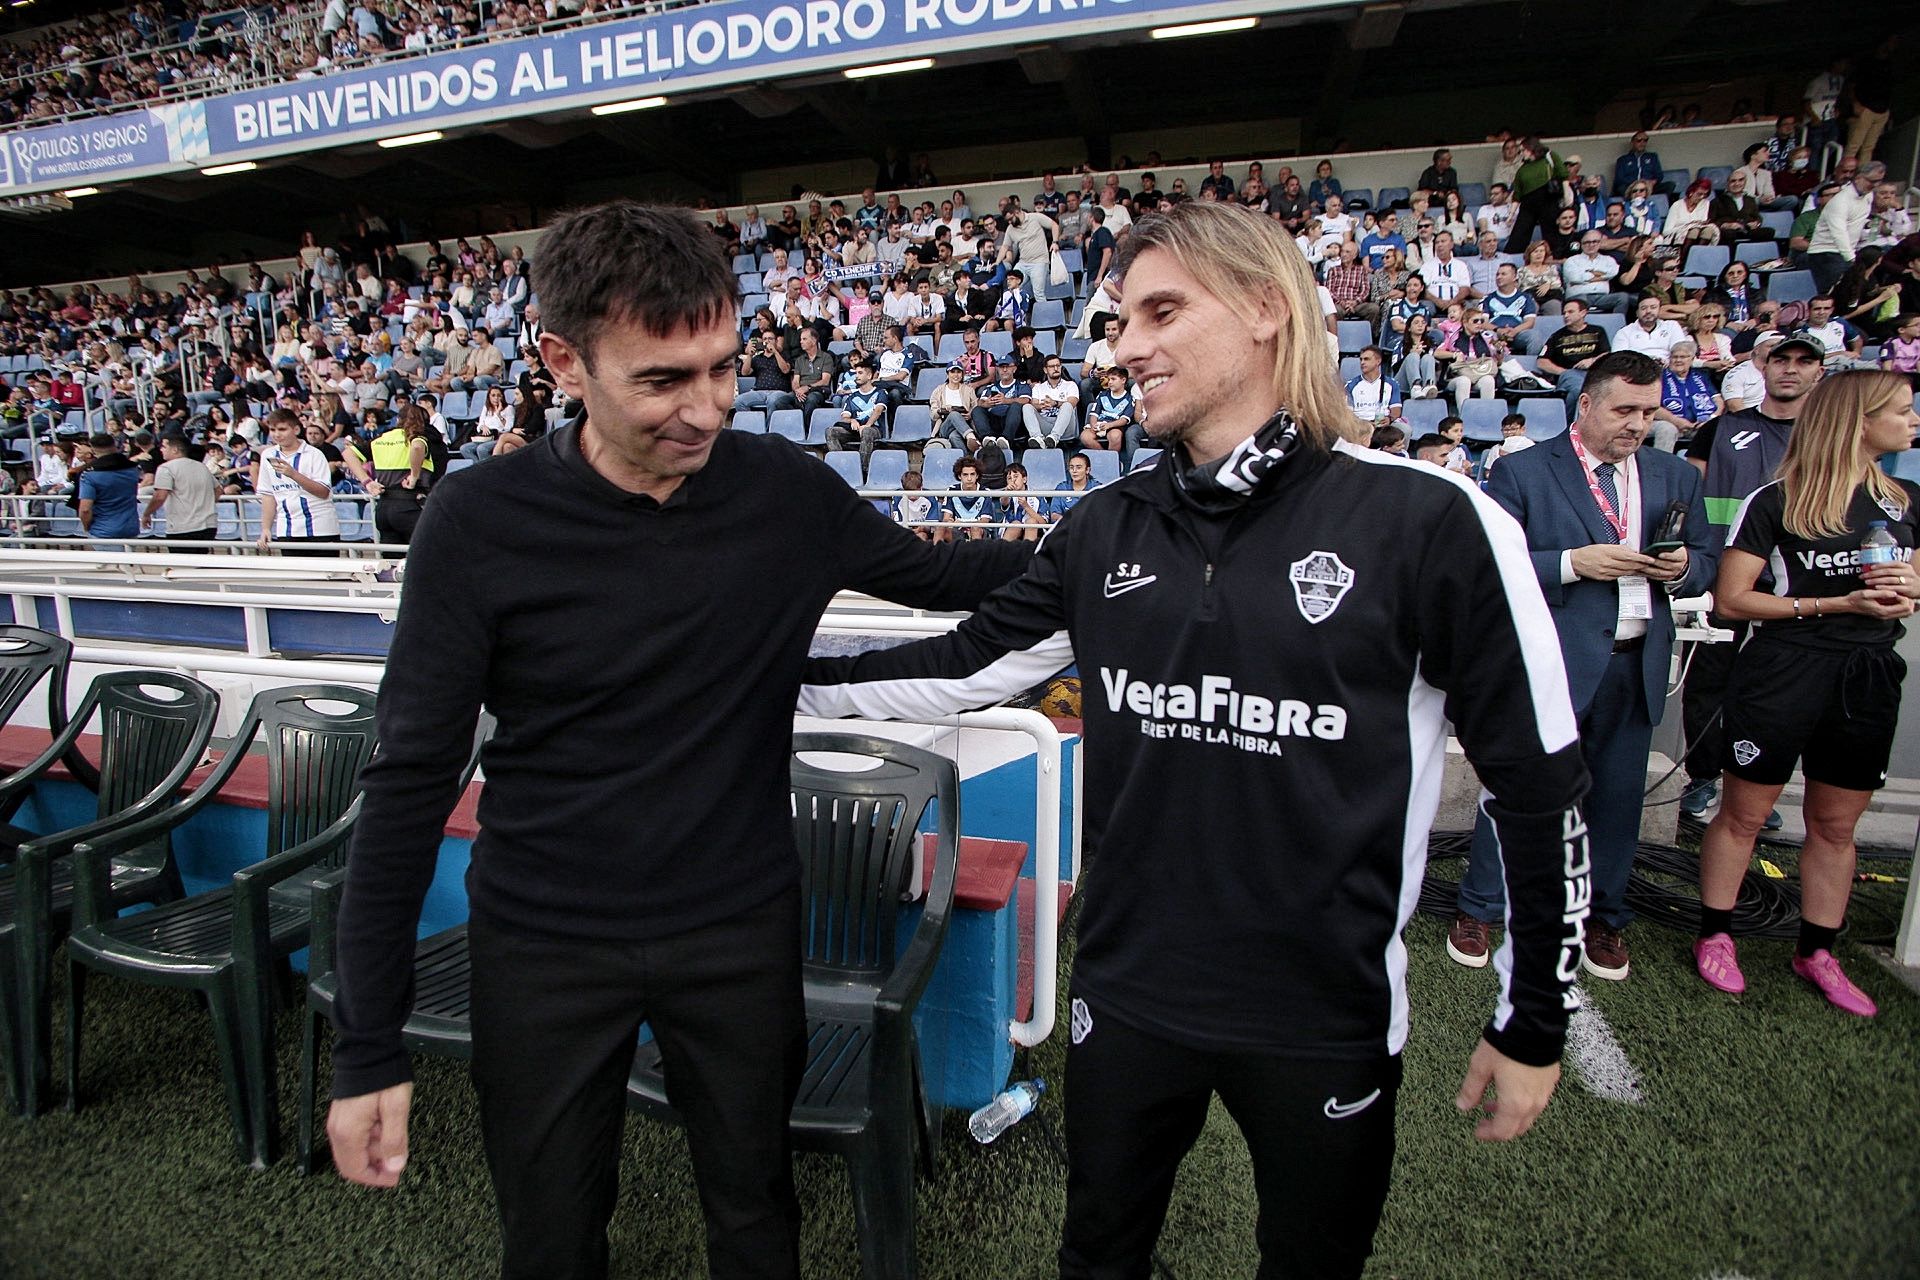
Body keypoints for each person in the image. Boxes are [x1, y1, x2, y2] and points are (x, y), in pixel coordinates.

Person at [798, 201, 1589, 1280]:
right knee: (1099, 1256)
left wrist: (1535, 1017)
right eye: (1121, 319)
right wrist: (769, 688)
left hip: (1325, 1010)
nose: (1124, 346)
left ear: (1268, 308)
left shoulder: (1435, 521)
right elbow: (959, 666)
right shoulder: (1105, 526)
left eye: (1163, 311)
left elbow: (1539, 788)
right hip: (1126, 992)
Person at [324, 204, 1031, 1279]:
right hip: (543, 941)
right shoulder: (475, 525)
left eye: (721, 366)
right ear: (564, 360)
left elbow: (950, 580)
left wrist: (1131, 533)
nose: (706, 409)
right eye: (662, 380)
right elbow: (409, 786)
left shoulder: (784, 492)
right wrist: (367, 1043)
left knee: (755, 1213)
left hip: (737, 929)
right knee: (551, 1235)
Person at [1449, 351, 1713, 978]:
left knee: (1618, 802)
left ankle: (1602, 917)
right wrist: (1573, 563)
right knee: (1517, 790)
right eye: (1624, 410)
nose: (1637, 424)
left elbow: (1706, 556)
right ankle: (1481, 906)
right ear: (1586, 404)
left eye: (1648, 413)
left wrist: (1684, 570)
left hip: (1636, 661)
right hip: (1551, 662)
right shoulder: (1523, 471)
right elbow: (1486, 565)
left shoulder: (1675, 476)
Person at [1695, 371, 1920, 1015]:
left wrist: (1904, 593)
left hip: (1869, 674)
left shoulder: (1907, 500)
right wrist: (1835, 602)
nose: (1912, 422)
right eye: (1900, 411)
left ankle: (1818, 949)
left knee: (1835, 824)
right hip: (1784, 669)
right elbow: (1734, 598)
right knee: (1742, 812)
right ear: (1857, 420)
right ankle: (1716, 934)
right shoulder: (1776, 500)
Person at [1677, 335, 1826, 819]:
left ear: (1819, 373)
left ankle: (1755, 786)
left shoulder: (1829, 438)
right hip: (1724, 577)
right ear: (1761, 366)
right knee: (1708, 682)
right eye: (1781, 359)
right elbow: (1689, 500)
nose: (1791, 369)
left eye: (1805, 361)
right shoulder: (1719, 430)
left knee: (1777, 691)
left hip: (1796, 583)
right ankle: (1702, 779)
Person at [252, 408, 341, 555]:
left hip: (320, 528)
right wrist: (266, 528)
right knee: (297, 576)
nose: (277, 434)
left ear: (296, 429)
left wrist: (293, 474)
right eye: (273, 429)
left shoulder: (314, 454)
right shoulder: (268, 455)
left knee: (325, 576)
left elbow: (323, 492)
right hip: (286, 530)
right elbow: (268, 495)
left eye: (282, 429)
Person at [361, 403, 438, 548]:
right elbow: (417, 446)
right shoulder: (417, 437)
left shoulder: (381, 439)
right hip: (410, 503)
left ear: (397, 420)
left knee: (390, 561)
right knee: (423, 552)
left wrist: (367, 482)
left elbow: (348, 453)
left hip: (384, 507)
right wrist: (414, 476)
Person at [142, 432, 219, 546]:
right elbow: (218, 490)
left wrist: (147, 514)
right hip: (209, 525)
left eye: (164, 447)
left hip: (182, 526)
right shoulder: (201, 466)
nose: (161, 450)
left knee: (181, 562)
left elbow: (160, 496)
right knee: (201, 560)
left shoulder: (166, 468)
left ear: (175, 449)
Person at [75, 432, 141, 540]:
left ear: (93, 449)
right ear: (114, 444)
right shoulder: (132, 469)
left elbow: (85, 509)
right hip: (131, 528)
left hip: (102, 530)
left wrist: (86, 527)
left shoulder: (89, 475)